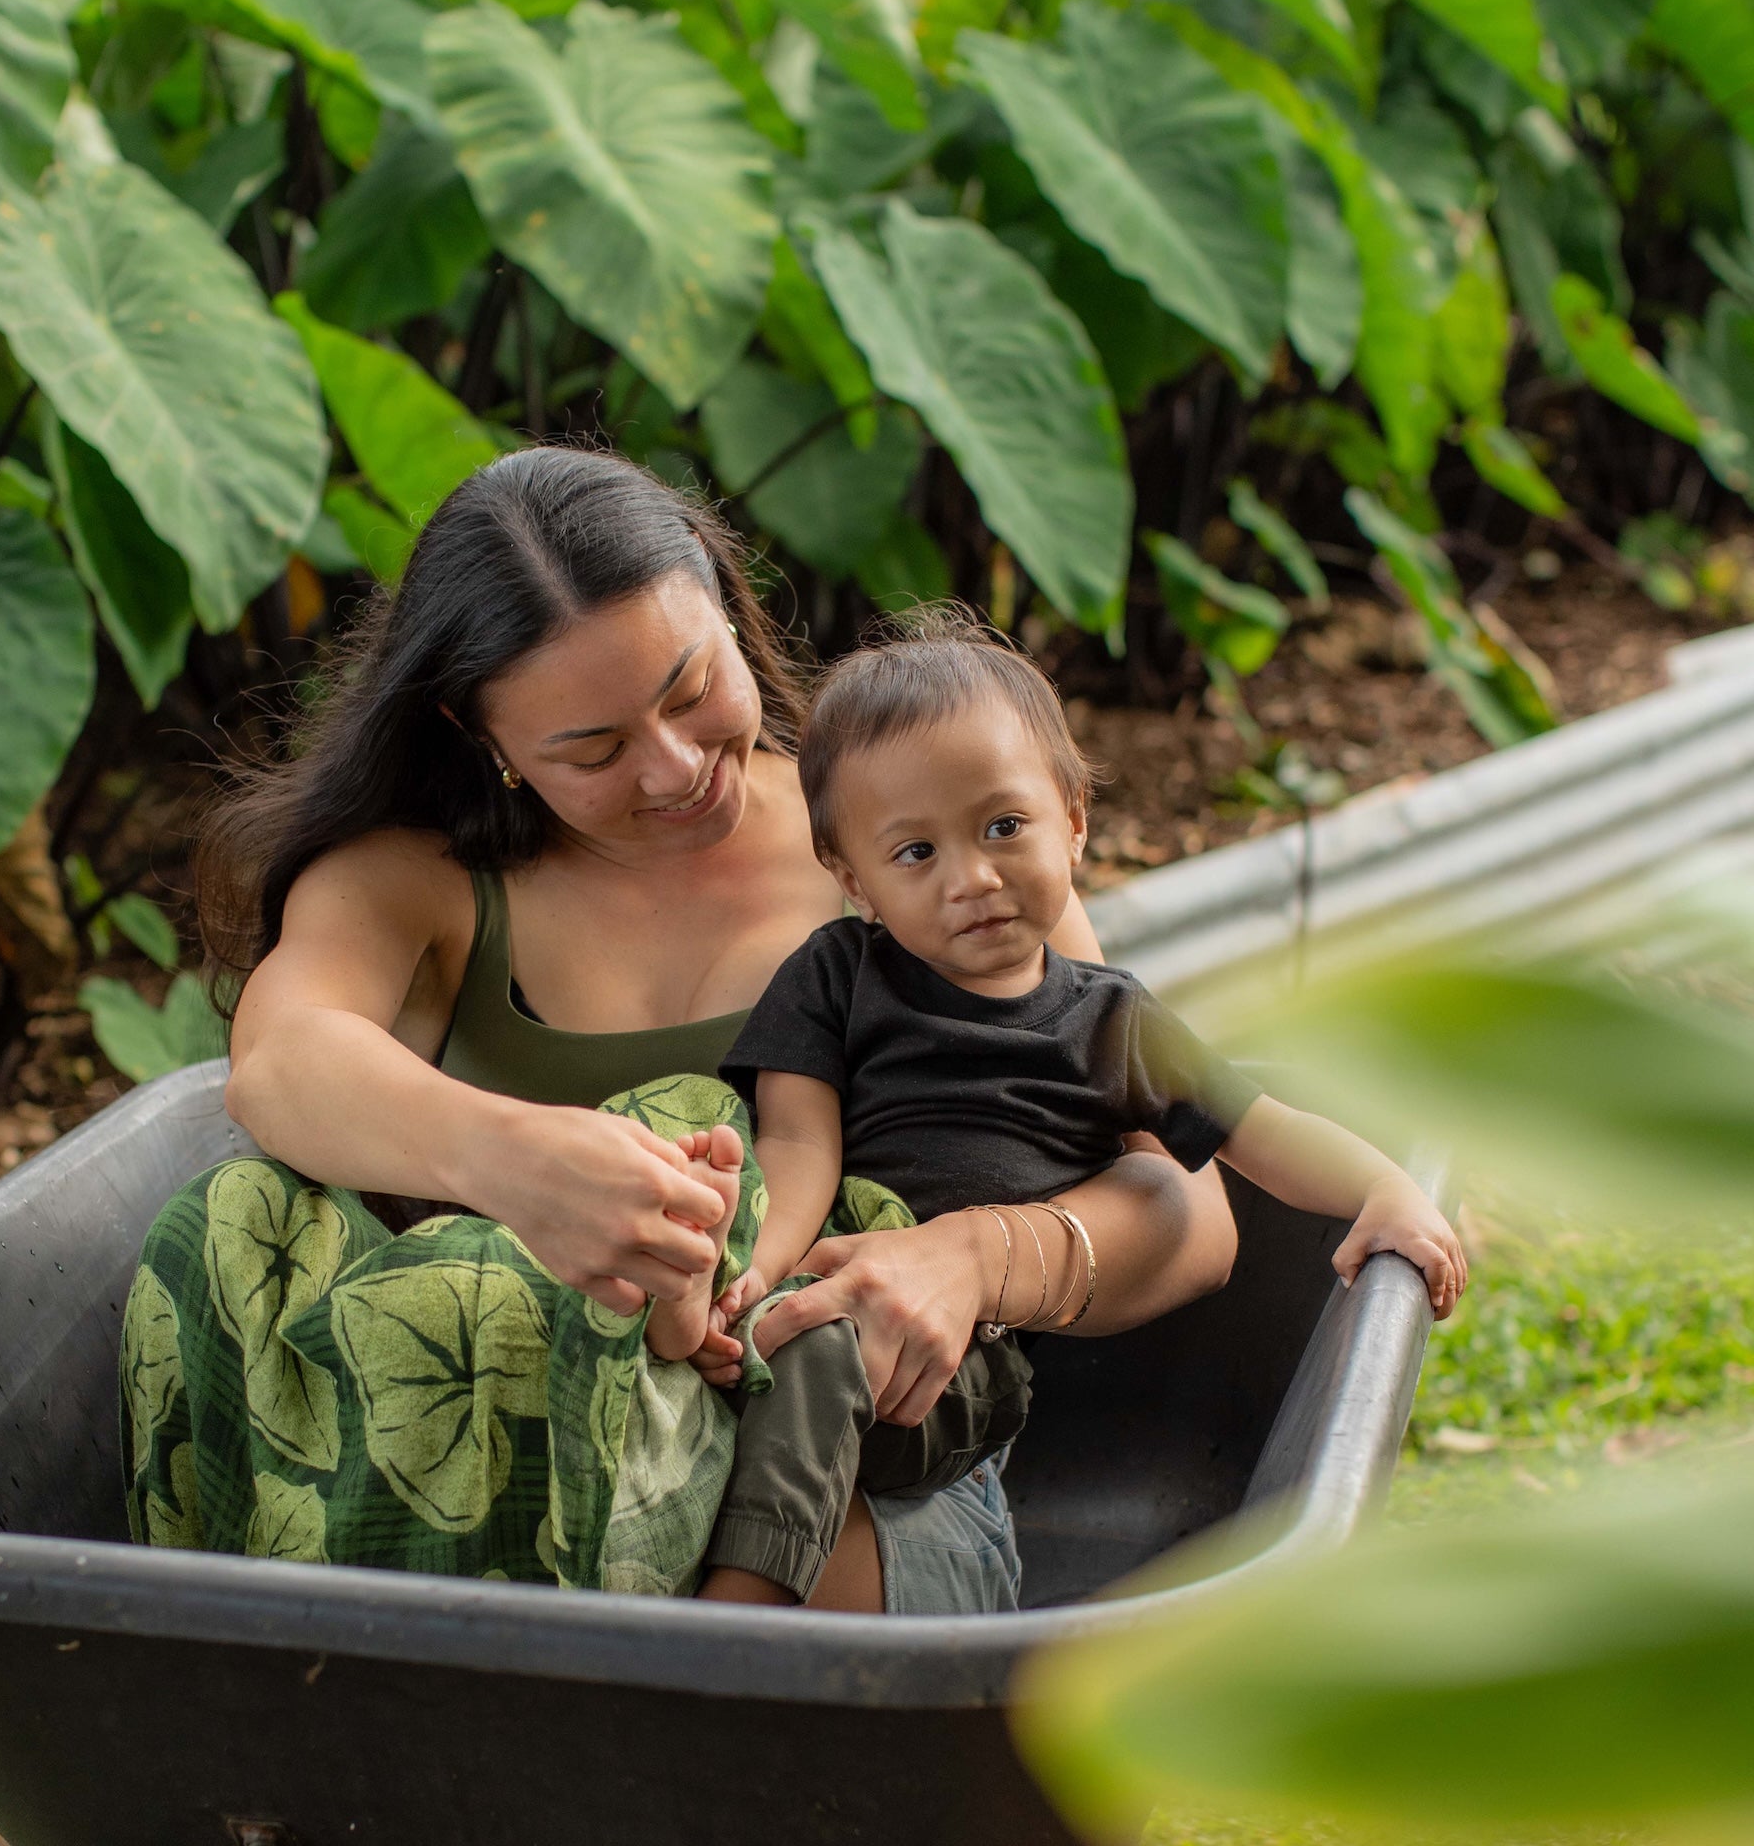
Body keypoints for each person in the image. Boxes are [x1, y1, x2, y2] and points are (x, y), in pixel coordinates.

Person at [196, 446, 1245, 1612]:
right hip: (504, 1484)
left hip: (857, 1475)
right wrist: (516, 1160)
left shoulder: (901, 844)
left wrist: (972, 1253)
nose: (677, 765)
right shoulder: (416, 885)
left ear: (726, 602)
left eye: (692, 689)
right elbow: (282, 1059)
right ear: (477, 733)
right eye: (591, 750)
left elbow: (1187, 1211)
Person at [645, 612, 1468, 1607]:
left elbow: (1259, 1132)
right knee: (756, 1341)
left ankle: (742, 1610)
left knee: (820, 1353)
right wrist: (755, 1279)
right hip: (826, 1277)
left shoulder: (1106, 1019)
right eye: (915, 853)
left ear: (1072, 819)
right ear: (854, 881)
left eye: (1002, 826)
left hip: (955, 1369)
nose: (972, 878)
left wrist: (1384, 1186)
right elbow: (795, 1143)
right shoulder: (833, 977)